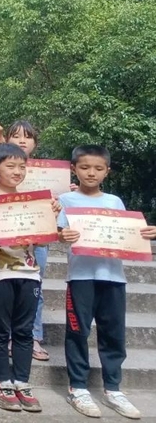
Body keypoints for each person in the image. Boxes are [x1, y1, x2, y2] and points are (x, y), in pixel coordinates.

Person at [57, 145, 156, 420]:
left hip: (113, 277)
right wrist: (62, 235)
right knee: (77, 332)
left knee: (114, 333)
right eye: (85, 167)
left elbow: (126, 234)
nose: (91, 173)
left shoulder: (114, 202)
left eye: (98, 168)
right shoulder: (65, 200)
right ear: (74, 169)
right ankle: (78, 387)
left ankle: (113, 389)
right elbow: (56, 233)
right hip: (80, 277)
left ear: (107, 172)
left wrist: (144, 233)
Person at [0, 143, 58, 413]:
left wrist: (51, 217)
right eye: (10, 166)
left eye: (22, 167)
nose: (17, 171)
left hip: (29, 273)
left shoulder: (32, 200)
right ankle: (2, 383)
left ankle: (22, 381)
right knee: (0, 332)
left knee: (24, 331)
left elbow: (42, 241)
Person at [0, 120, 49, 361]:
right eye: (16, 136)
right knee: (6, 296)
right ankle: (11, 338)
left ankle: (34, 337)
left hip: (33, 241)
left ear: (35, 143)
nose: (23, 140)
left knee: (35, 286)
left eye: (28, 136)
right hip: (2, 252)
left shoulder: (46, 172)